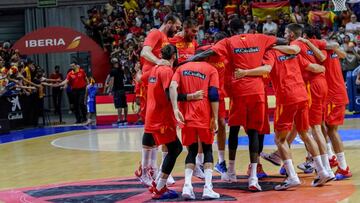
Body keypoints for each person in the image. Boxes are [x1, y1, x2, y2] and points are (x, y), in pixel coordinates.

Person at [185, 17, 287, 191]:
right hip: (257, 92)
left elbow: (207, 53)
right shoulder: (260, 37)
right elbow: (283, 40)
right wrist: (271, 45)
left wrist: (189, 60)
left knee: (234, 129)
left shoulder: (227, 41)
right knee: (254, 132)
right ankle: (253, 177)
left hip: (239, 93)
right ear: (245, 27)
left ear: (231, 31)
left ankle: (231, 170)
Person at [135, 13, 182, 186]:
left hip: (151, 78)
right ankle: (146, 169)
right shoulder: (156, 33)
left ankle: (150, 168)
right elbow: (145, 51)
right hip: (152, 82)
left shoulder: (166, 39)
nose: (178, 30)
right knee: (152, 125)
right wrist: (159, 62)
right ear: (168, 23)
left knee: (155, 126)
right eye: (177, 26)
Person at [169, 61, 220, 200]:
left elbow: (172, 86)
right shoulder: (210, 68)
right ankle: (208, 188)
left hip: (186, 115)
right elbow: (214, 93)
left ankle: (187, 186)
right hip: (204, 114)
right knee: (207, 149)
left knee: (191, 150)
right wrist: (215, 118)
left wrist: (175, 108)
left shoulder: (181, 68)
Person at [144, 44, 183, 200]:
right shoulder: (166, 71)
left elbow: (143, 79)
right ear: (174, 55)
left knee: (173, 148)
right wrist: (189, 97)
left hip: (153, 116)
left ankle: (158, 183)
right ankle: (160, 187)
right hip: (162, 119)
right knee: (175, 149)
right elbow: (169, 93)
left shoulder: (155, 69)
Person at [109, 58, 128, 125]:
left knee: (119, 105)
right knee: (124, 104)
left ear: (113, 63)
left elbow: (112, 81)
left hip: (117, 90)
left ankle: (119, 119)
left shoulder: (113, 71)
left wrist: (110, 90)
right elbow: (123, 79)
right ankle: (125, 119)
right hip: (122, 89)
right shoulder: (121, 70)